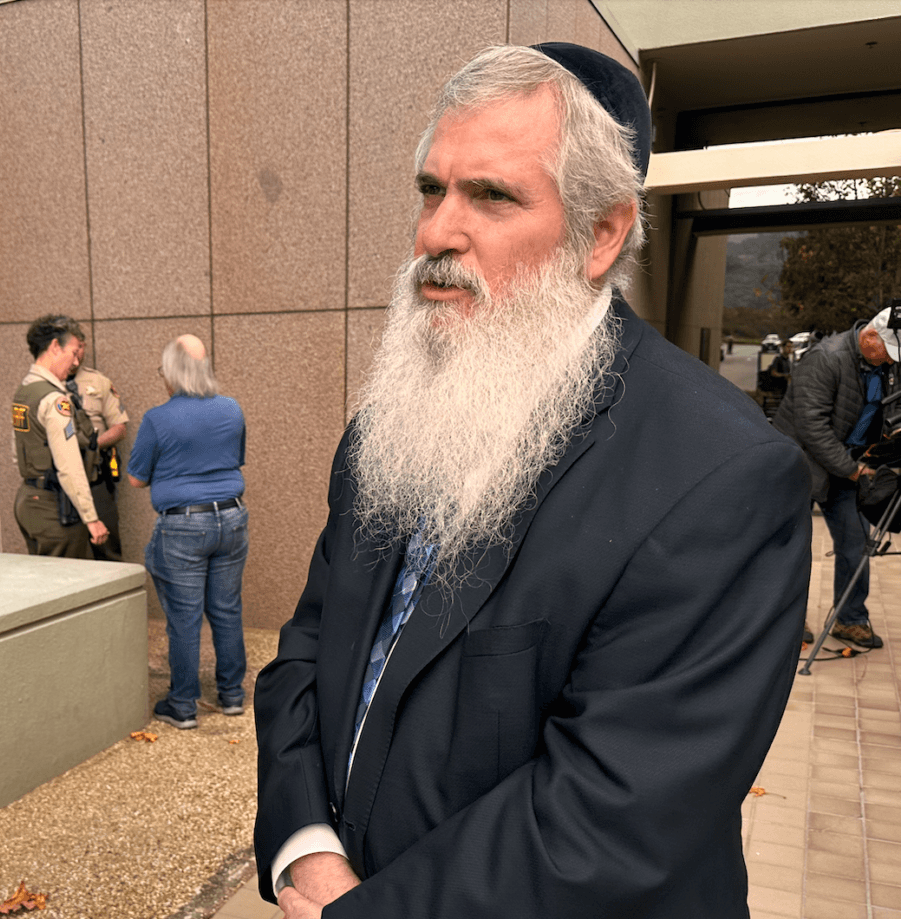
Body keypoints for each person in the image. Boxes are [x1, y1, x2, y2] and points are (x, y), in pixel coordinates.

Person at [253, 43, 811, 919]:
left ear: (601, 233)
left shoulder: (723, 477)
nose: (437, 232)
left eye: (492, 196)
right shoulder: (388, 429)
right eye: (432, 190)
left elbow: (612, 819)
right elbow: (308, 652)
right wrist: (304, 848)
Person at [128, 334, 249, 730]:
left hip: (182, 525)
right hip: (231, 519)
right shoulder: (232, 409)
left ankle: (183, 704)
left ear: (173, 372)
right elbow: (234, 459)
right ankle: (232, 695)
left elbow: (135, 479)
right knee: (226, 610)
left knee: (184, 618)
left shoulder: (157, 419)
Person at [773, 307, 898, 650]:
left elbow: (880, 410)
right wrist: (853, 469)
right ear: (870, 336)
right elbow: (812, 427)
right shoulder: (826, 358)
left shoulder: (883, 365)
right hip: (803, 464)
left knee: (856, 543)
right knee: (792, 549)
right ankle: (785, 625)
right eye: (888, 352)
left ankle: (850, 619)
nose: (890, 361)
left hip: (847, 464)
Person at [12, 315, 109, 558]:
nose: (76, 361)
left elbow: (17, 452)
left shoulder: (25, 391)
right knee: (70, 584)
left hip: (28, 500)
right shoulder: (55, 400)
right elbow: (69, 465)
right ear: (55, 347)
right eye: (74, 352)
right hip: (55, 508)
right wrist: (91, 518)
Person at [67, 364, 129, 562]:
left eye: (80, 348)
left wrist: (90, 447)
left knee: (107, 549)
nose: (76, 358)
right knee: (68, 554)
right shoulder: (44, 387)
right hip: (62, 480)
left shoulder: (98, 382)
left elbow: (119, 428)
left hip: (97, 476)